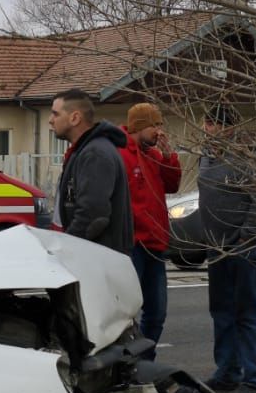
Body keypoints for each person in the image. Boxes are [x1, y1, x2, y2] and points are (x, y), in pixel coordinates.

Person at [198, 105, 256, 393]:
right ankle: (227, 370)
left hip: (246, 248)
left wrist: (245, 241)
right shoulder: (206, 156)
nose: (206, 129)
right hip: (217, 248)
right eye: (206, 123)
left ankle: (255, 378)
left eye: (212, 124)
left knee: (248, 313)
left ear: (228, 128)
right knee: (221, 311)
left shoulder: (247, 156)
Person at [119, 101, 183, 354]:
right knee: (126, 312)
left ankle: (145, 362)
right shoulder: (121, 153)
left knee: (157, 311)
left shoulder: (154, 155)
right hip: (134, 244)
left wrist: (169, 157)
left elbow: (172, 185)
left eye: (160, 124)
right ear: (139, 126)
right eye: (155, 125)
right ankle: (128, 364)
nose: (160, 131)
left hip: (155, 244)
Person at [49, 88, 133, 253]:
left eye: (56, 114)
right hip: (92, 255)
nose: (50, 120)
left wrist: (67, 247)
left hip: (98, 258)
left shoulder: (95, 154)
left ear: (75, 118)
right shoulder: (83, 151)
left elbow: (93, 214)